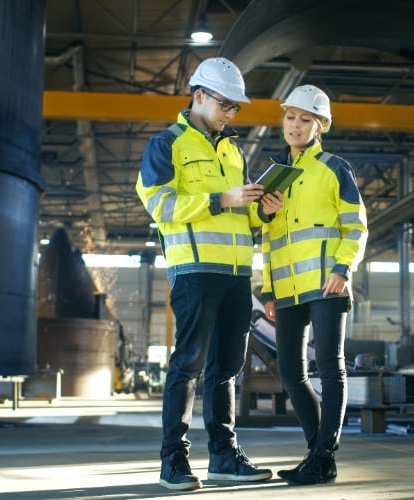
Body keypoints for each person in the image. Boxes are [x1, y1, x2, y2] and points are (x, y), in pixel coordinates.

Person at [136, 57, 282, 491]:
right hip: (195, 271)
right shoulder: (167, 146)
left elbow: (237, 216)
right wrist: (222, 197)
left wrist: (260, 210)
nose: (230, 114)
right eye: (225, 105)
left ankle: (223, 456)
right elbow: (161, 207)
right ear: (198, 95)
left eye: (236, 108)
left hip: (237, 275)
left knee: (226, 368)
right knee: (189, 365)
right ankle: (173, 462)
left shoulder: (232, 150)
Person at [261, 84, 368, 485]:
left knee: (330, 367)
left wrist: (343, 268)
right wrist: (269, 289)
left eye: (305, 119)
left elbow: (355, 225)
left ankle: (323, 455)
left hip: (327, 284)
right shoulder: (275, 176)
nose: (295, 125)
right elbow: (270, 239)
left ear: (320, 125)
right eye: (290, 117)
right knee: (290, 371)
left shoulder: (334, 168)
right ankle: (317, 453)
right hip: (287, 290)